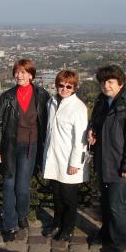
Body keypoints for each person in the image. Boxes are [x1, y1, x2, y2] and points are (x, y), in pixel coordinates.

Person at [88, 65, 126, 252]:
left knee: (115, 205)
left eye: (110, 81)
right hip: (104, 161)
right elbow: (96, 124)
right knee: (106, 203)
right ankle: (106, 233)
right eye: (103, 82)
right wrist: (92, 133)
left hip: (120, 165)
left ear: (120, 83)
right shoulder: (102, 102)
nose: (106, 85)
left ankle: (119, 243)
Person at [0, 58, 50, 242]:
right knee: (8, 185)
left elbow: (50, 121)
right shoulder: (7, 97)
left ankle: (22, 214)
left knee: (22, 187)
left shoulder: (41, 95)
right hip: (9, 147)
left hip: (30, 147)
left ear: (31, 75)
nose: (19, 75)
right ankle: (10, 224)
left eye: (23, 72)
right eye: (17, 72)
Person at [42, 70, 89, 242]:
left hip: (69, 160)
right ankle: (57, 224)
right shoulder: (52, 102)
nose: (64, 89)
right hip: (53, 157)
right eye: (61, 85)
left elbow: (81, 139)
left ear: (75, 87)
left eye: (69, 86)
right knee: (57, 196)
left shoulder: (79, 108)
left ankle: (67, 228)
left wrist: (75, 162)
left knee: (69, 198)